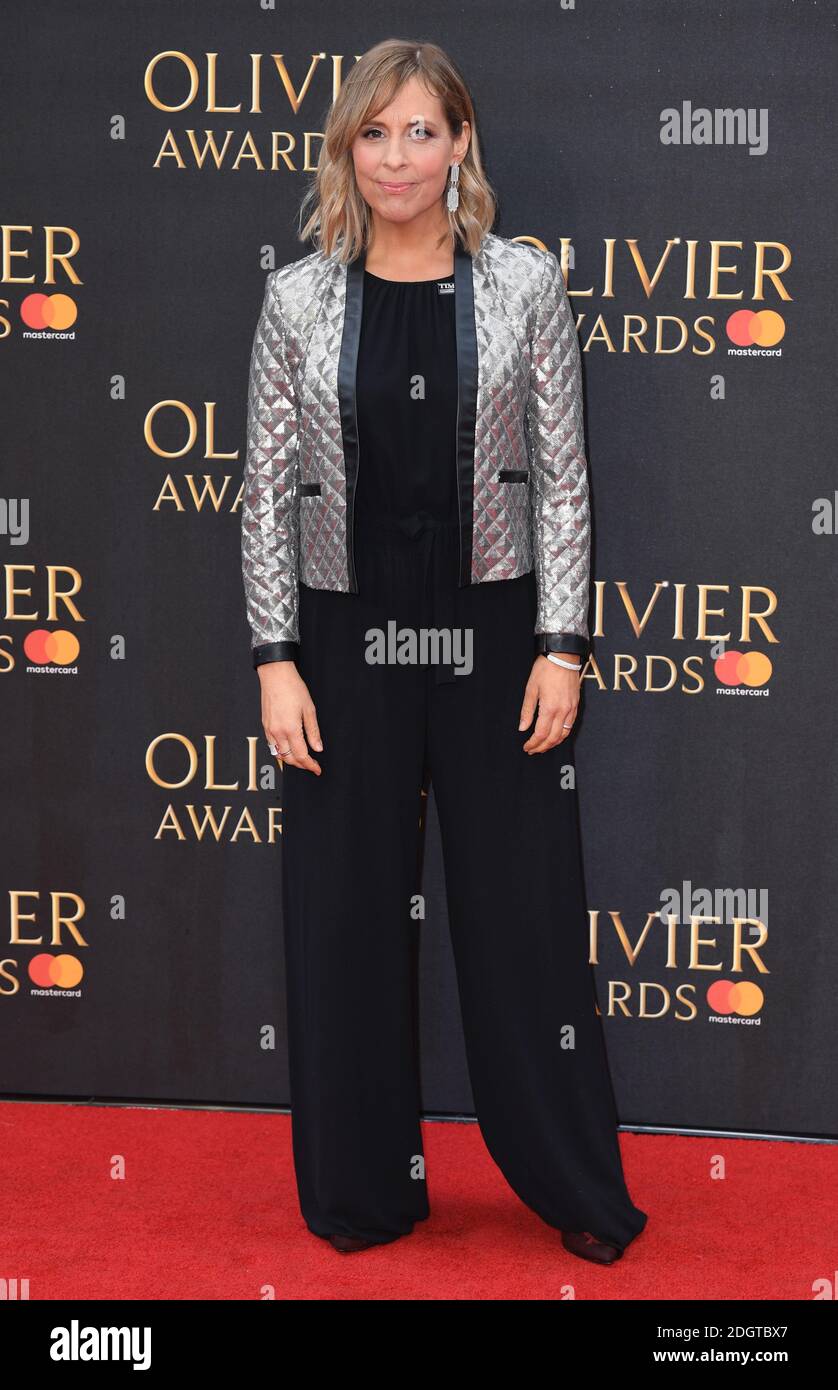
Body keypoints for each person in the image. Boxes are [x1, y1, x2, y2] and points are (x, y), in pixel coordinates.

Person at [240, 38, 648, 1265]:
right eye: (374, 134)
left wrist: (562, 647)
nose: (397, 158)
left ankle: (572, 1182)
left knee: (524, 911)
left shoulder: (523, 286)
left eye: (421, 132)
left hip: (492, 631)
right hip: (340, 634)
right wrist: (273, 659)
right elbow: (262, 492)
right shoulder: (297, 297)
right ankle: (361, 1191)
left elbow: (563, 482)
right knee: (346, 913)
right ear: (343, 150)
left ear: (462, 142)